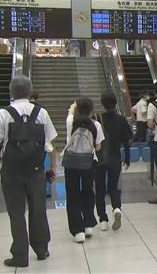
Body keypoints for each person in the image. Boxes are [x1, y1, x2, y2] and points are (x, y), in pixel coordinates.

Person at [0, 76, 57, 268]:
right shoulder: (42, 112)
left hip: (12, 171)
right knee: (38, 209)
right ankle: (41, 249)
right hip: (36, 169)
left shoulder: (3, 113)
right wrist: (53, 167)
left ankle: (20, 255)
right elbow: (51, 145)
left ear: (11, 92)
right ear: (30, 91)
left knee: (16, 212)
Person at [63, 97, 105, 243]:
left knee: (72, 193)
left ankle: (77, 230)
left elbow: (70, 113)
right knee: (88, 191)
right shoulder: (96, 125)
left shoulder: (70, 122)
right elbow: (98, 147)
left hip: (72, 163)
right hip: (89, 162)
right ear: (91, 110)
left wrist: (72, 108)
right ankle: (88, 225)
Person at [95, 91, 133, 231]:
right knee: (114, 186)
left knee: (99, 188)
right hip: (115, 157)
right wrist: (127, 158)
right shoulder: (121, 119)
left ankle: (103, 219)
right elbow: (127, 140)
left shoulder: (97, 119)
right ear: (116, 103)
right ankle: (116, 208)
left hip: (99, 159)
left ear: (102, 104)